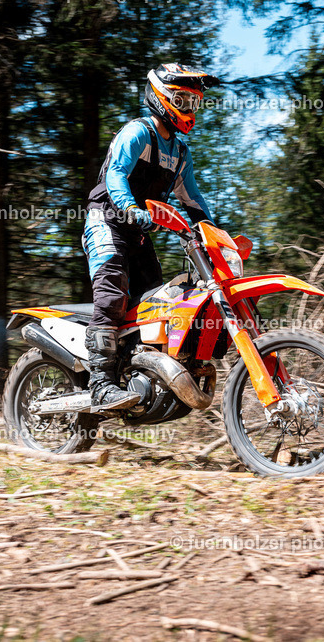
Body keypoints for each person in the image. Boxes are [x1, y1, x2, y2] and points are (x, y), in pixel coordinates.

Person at [82, 63, 221, 410]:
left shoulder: (181, 154)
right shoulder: (138, 132)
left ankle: (137, 375)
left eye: (194, 103)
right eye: (182, 101)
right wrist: (131, 208)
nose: (189, 110)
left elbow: (193, 200)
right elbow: (116, 174)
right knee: (113, 293)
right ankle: (100, 384)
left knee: (157, 303)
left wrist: (213, 235)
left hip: (139, 232)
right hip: (108, 220)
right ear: (161, 99)